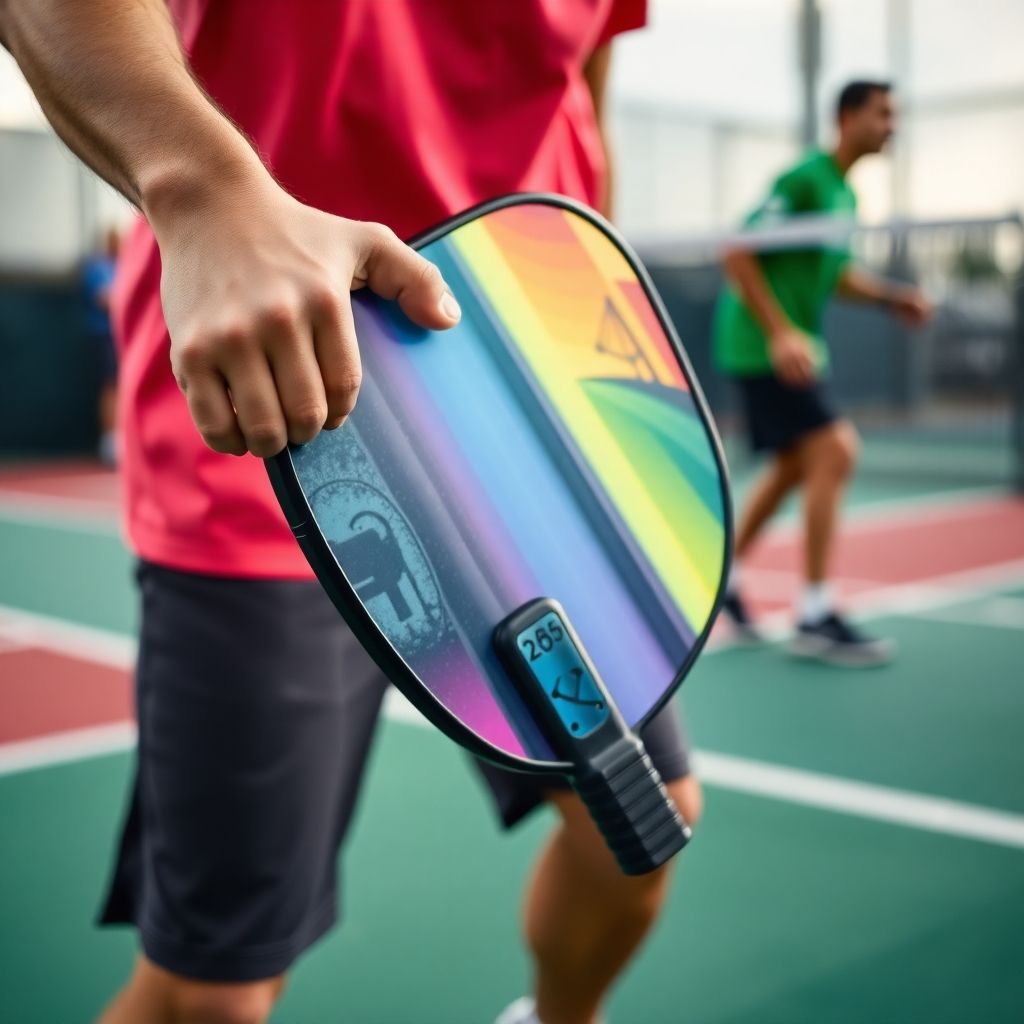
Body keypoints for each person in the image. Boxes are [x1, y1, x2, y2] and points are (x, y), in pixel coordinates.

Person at [0, 3, 702, 1023]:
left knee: (638, 825)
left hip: (512, 443)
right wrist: (202, 189)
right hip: (265, 434)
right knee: (213, 992)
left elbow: (579, 98)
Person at [713, 80, 931, 667]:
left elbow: (836, 275)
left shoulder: (844, 196)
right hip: (762, 346)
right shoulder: (806, 179)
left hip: (791, 347)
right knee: (835, 449)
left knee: (792, 467)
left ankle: (720, 580)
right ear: (847, 116)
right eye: (882, 113)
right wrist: (782, 331)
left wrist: (892, 298)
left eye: (895, 115)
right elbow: (737, 249)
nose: (891, 124)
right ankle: (814, 615)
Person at [80, 227, 121, 466]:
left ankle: (121, 438)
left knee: (122, 386)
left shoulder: (121, 265)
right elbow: (105, 298)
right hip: (103, 336)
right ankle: (109, 441)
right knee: (110, 385)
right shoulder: (98, 267)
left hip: (119, 337)